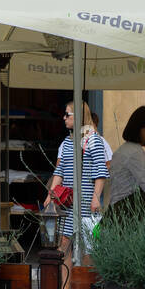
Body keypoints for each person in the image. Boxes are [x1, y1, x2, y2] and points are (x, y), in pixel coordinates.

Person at [45, 101, 110, 252]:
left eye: (67, 114)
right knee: (63, 247)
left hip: (87, 205)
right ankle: (65, 277)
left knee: (90, 250)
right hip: (68, 204)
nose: (63, 118)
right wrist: (51, 194)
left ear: (79, 116)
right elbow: (60, 170)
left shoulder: (93, 139)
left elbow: (101, 170)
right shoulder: (67, 142)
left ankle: (84, 276)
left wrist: (96, 197)